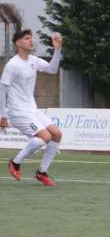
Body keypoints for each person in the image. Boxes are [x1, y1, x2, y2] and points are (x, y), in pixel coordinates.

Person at [1, 29, 63, 186]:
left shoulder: (33, 60)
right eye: (27, 38)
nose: (31, 41)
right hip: (17, 111)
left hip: (32, 109)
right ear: (18, 43)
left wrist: (57, 49)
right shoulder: (13, 65)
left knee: (56, 134)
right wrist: (3, 115)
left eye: (31, 38)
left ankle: (42, 172)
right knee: (45, 137)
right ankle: (15, 162)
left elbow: (52, 69)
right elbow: (2, 90)